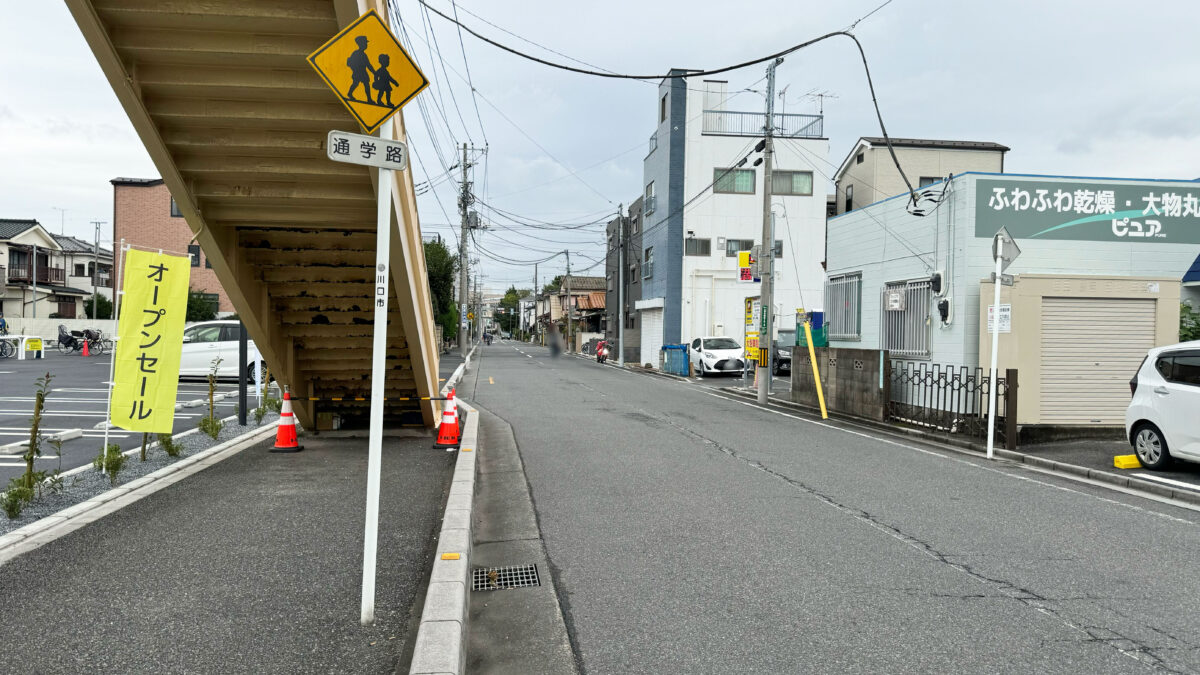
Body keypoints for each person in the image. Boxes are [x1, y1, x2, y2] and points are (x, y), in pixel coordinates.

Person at [345, 35, 375, 102]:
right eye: (365, 43)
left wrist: (374, 72)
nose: (366, 44)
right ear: (360, 44)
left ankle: (369, 98)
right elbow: (351, 63)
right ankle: (350, 93)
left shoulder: (364, 54)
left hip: (363, 72)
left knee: (366, 84)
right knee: (356, 83)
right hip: (358, 72)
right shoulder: (356, 53)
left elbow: (368, 65)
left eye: (366, 43)